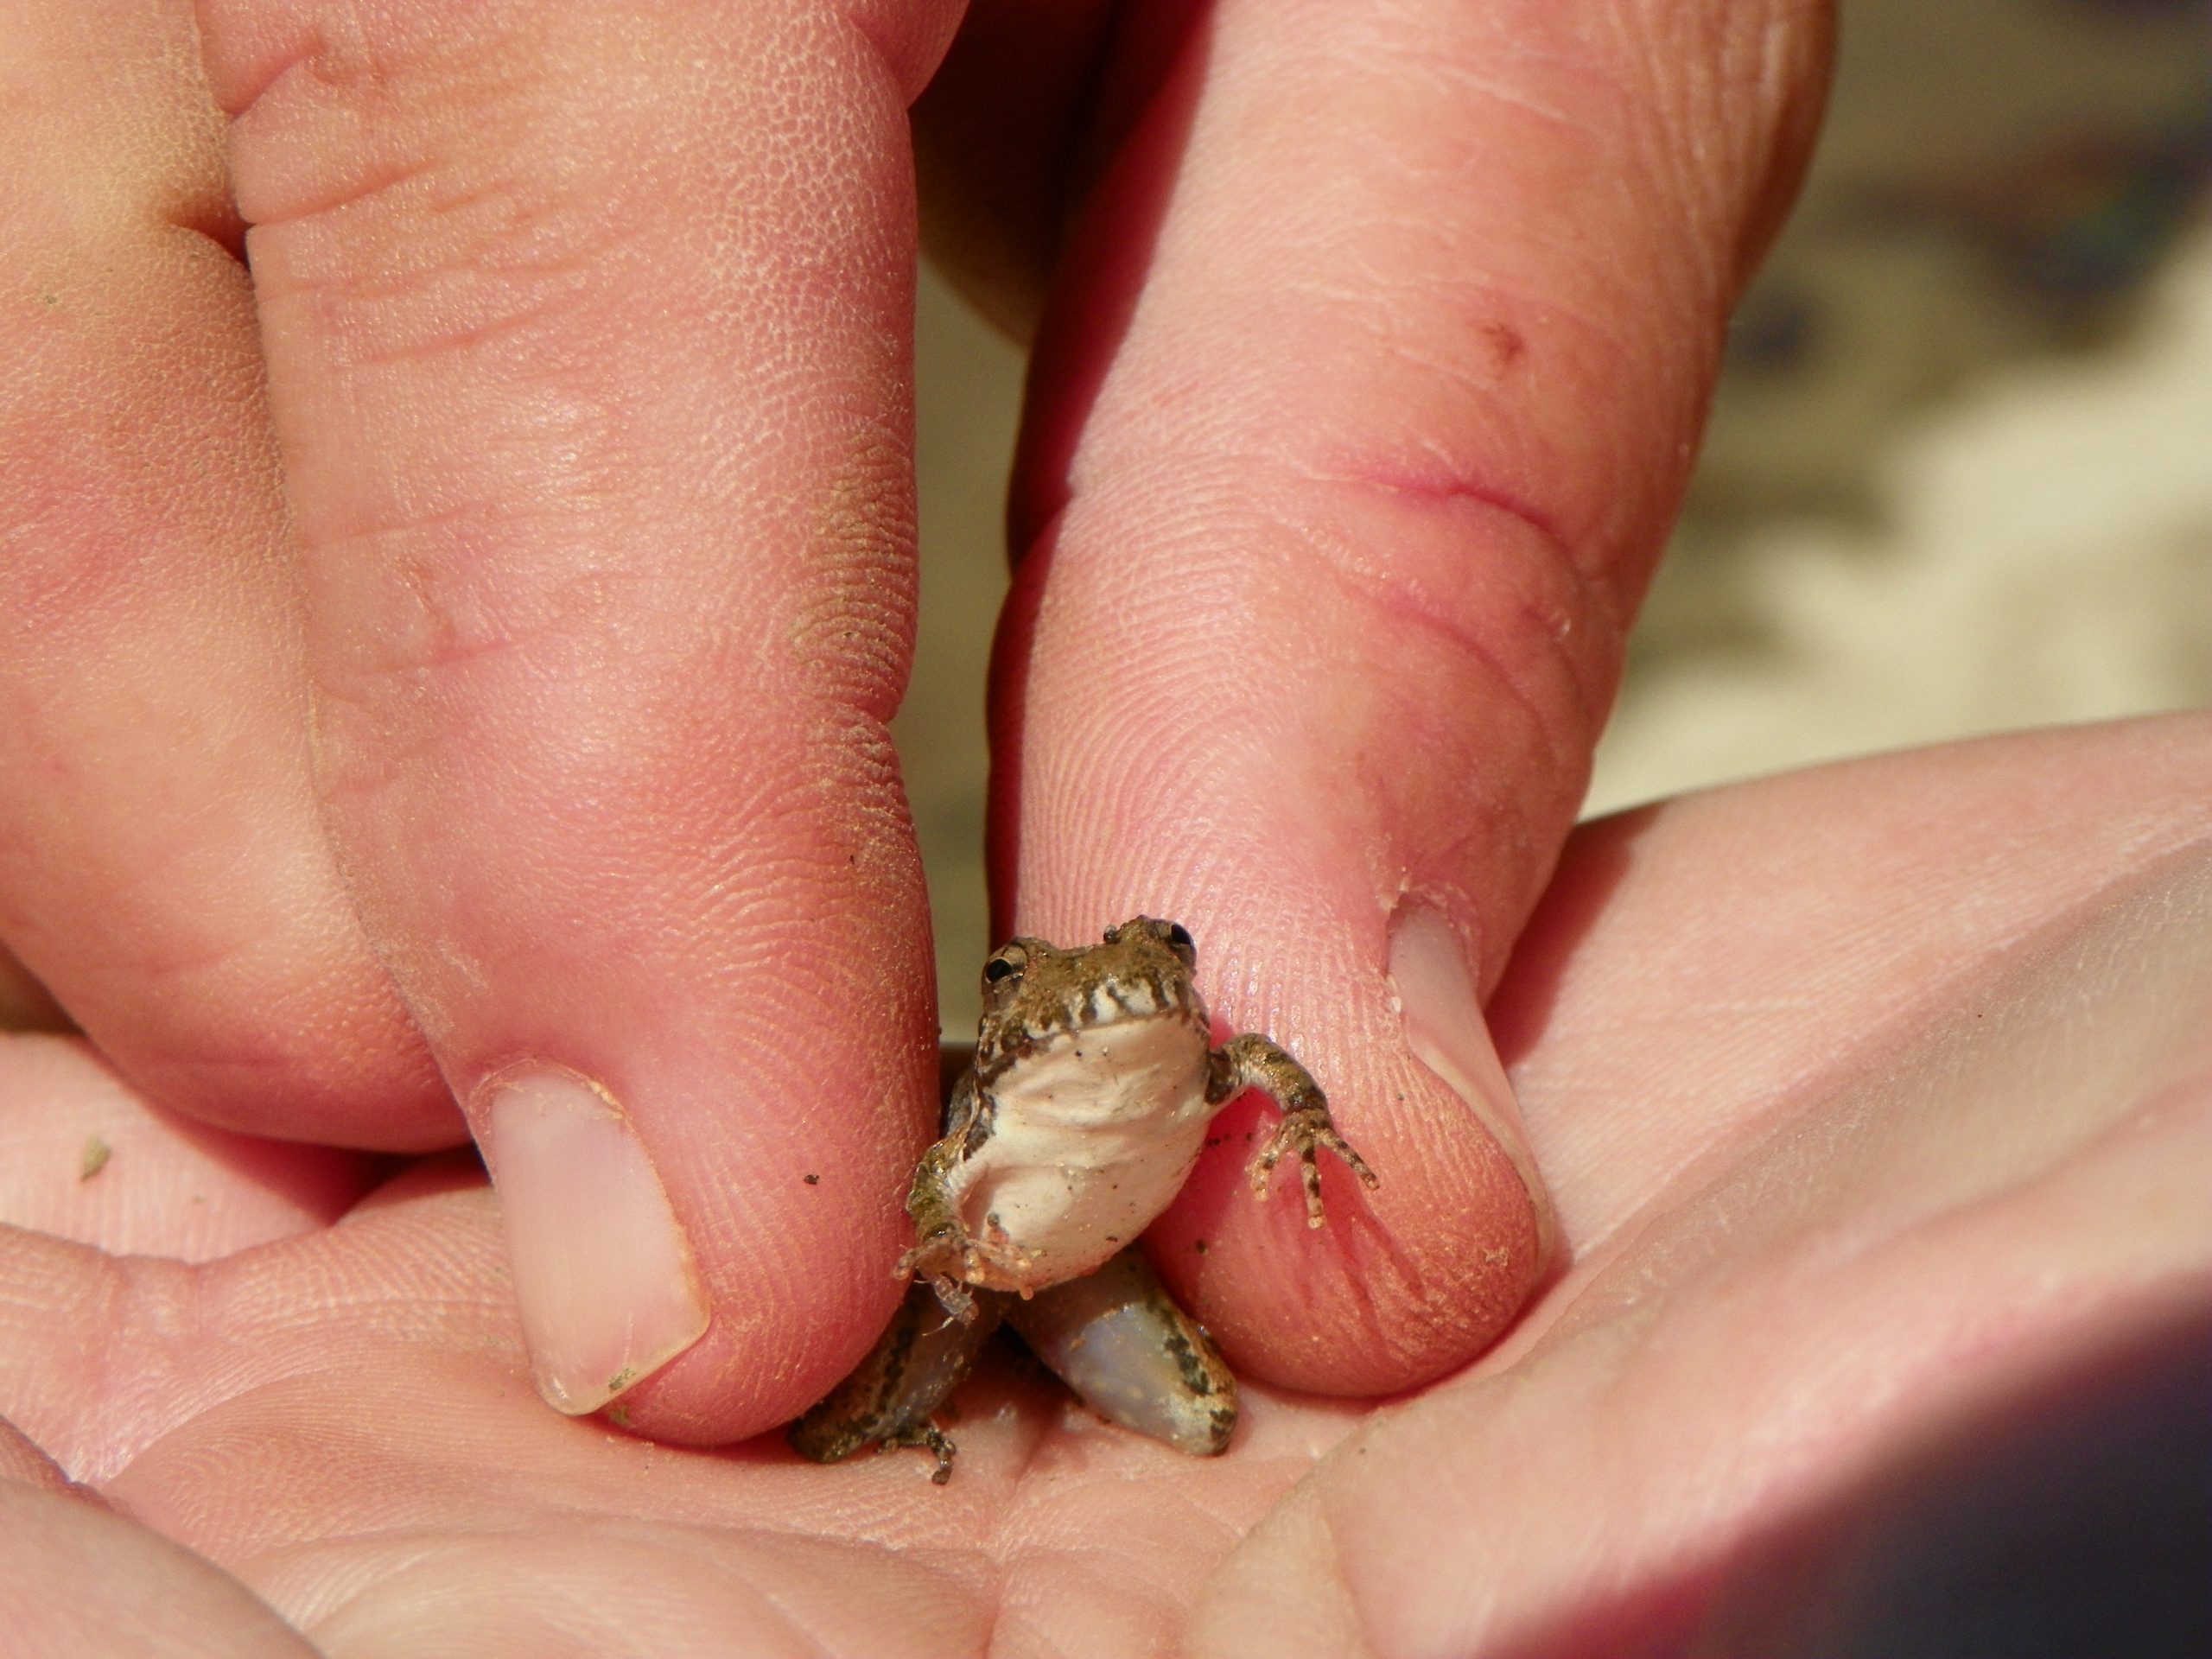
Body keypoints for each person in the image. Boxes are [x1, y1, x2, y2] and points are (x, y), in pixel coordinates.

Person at [3, 2, 2205, 1651]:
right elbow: (944, 1221)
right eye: (1103, 984)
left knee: (1191, 1395)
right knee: (862, 1317)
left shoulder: (1195, 1050)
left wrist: (1319, 1147)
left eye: (1152, 975)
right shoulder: (1007, 1115)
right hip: (979, 1255)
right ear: (1042, 1018)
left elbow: (1245, 1064)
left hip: (1123, 1251)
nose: (1142, 999)